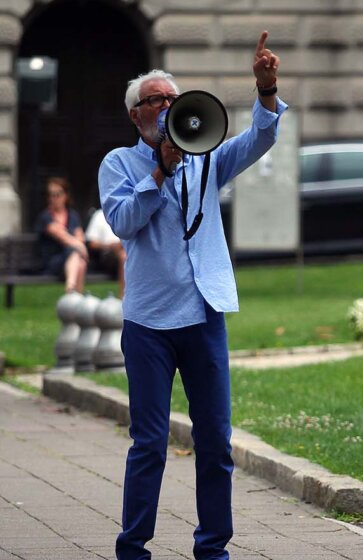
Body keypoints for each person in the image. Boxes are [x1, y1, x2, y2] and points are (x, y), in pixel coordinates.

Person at [98, 31, 285, 560]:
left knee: (215, 444)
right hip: (149, 323)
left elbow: (258, 142)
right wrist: (160, 170)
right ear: (137, 115)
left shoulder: (205, 158)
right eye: (155, 100)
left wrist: (266, 92)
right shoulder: (118, 164)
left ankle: (213, 549)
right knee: (150, 444)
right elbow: (123, 222)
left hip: (203, 315)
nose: (166, 107)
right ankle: (133, 547)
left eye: (172, 100)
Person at [35, 176, 88, 293]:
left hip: (71, 261)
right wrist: (81, 247)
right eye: (50, 194)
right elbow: (62, 237)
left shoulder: (73, 215)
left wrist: (79, 245)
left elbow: (80, 236)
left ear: (66, 195)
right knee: (75, 252)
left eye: (57, 194)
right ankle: (71, 290)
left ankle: (74, 299)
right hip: (52, 262)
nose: (53, 198)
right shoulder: (46, 217)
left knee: (81, 263)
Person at [85, 208, 126, 296]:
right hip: (107, 255)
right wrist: (109, 246)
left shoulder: (128, 211)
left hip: (129, 249)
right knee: (124, 257)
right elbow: (91, 243)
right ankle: (123, 297)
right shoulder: (99, 214)